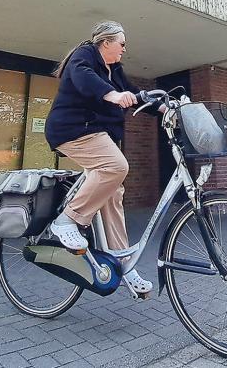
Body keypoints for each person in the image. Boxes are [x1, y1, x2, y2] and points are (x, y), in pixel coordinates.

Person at [45, 21, 162, 294]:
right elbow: (83, 76)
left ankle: (123, 264)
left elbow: (134, 95)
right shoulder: (84, 55)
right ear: (105, 42)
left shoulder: (115, 70)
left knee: (112, 193)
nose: (124, 48)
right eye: (121, 43)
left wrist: (165, 108)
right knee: (116, 166)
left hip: (96, 135)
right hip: (73, 131)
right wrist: (111, 94)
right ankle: (67, 220)